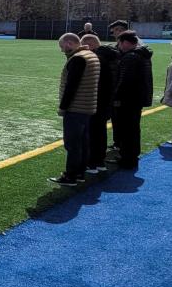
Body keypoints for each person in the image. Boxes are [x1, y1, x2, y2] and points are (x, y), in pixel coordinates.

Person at [50, 33, 100, 186]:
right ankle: (79, 173)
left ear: (69, 43)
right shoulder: (91, 55)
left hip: (76, 107)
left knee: (73, 144)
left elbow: (71, 87)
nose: (62, 50)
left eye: (62, 47)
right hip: (87, 106)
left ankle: (71, 176)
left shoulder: (78, 59)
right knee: (83, 142)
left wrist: (63, 107)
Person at [111, 31, 152, 170]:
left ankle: (127, 158)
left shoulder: (130, 57)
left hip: (128, 99)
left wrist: (116, 97)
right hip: (137, 98)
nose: (118, 46)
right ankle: (131, 155)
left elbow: (125, 80)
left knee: (127, 130)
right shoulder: (143, 55)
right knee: (133, 128)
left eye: (119, 43)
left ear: (126, 43)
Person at [81, 34, 117, 174]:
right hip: (107, 100)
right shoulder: (111, 56)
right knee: (100, 132)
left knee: (92, 132)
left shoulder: (96, 59)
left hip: (96, 100)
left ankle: (91, 163)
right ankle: (99, 161)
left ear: (89, 45)